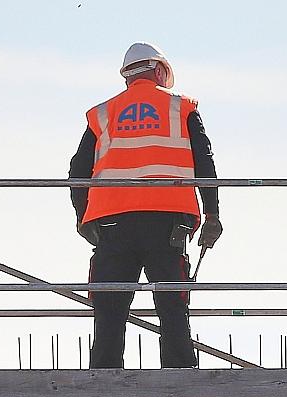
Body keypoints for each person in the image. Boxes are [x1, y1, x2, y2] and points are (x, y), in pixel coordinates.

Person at [69, 42, 223, 369]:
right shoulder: (181, 108)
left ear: (127, 76)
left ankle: (104, 382)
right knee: (172, 305)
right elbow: (204, 162)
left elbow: (77, 171)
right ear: (159, 70)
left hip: (112, 223)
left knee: (110, 308)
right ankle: (179, 378)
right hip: (168, 222)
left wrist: (83, 217)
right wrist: (212, 214)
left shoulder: (103, 114)